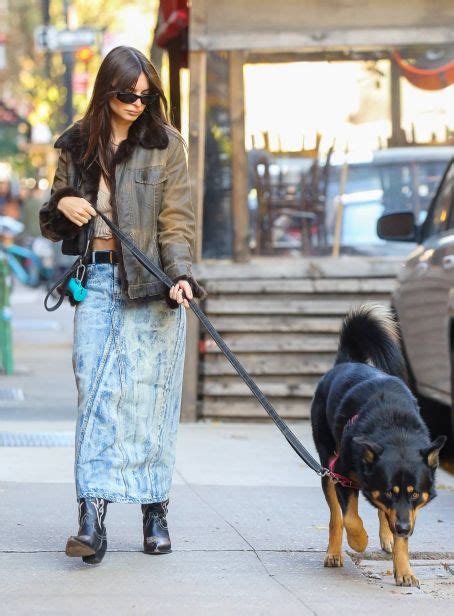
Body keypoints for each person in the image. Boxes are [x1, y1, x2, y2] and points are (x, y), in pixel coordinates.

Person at [39, 46, 205, 565]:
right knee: (96, 394)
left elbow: (176, 219)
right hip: (98, 279)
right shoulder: (76, 144)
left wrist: (181, 276)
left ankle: (154, 509)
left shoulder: (167, 145)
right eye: (126, 94)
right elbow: (52, 216)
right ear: (106, 91)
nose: (137, 103)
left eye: (145, 94)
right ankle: (91, 518)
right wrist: (64, 201)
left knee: (149, 400)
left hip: (153, 285)